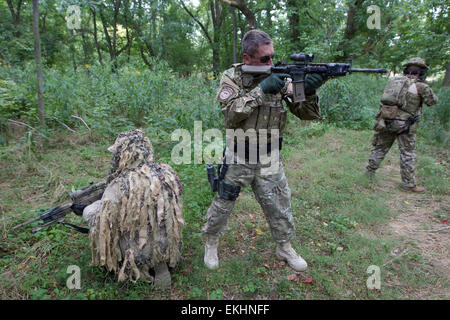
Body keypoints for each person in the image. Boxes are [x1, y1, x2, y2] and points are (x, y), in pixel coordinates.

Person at [202, 29, 325, 271]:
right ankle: (211, 241)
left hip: (270, 156)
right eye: (265, 59)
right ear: (248, 59)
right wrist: (261, 91)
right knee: (223, 201)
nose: (271, 62)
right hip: (239, 154)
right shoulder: (233, 76)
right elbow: (230, 114)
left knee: (279, 202)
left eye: (272, 57)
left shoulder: (282, 77)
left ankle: (284, 246)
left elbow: (305, 114)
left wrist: (307, 91)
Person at [366, 57, 438, 192]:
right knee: (408, 153)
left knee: (380, 148)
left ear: (405, 70)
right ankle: (408, 184)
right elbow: (432, 101)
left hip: (386, 120)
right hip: (405, 125)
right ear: (421, 73)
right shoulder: (421, 86)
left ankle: (368, 174)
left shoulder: (394, 81)